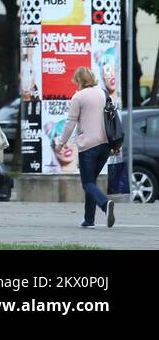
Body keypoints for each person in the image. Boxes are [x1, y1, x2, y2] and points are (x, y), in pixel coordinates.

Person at [55, 66, 115, 229]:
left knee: (87, 182)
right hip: (105, 145)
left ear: (79, 80)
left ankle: (105, 204)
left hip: (88, 146)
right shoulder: (103, 93)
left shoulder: (78, 97)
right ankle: (89, 219)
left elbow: (70, 124)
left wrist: (61, 143)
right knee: (92, 182)